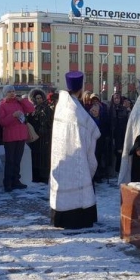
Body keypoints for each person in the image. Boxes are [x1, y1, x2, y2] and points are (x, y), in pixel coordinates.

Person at [50, 71, 101, 229]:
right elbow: (90, 130)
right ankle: (79, 220)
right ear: (80, 88)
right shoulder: (74, 108)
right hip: (76, 154)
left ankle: (61, 218)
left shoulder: (62, 104)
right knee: (79, 185)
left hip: (62, 154)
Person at [0, 85, 35, 192]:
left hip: (21, 135)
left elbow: (31, 108)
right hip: (10, 136)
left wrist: (23, 100)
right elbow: (2, 122)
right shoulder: (2, 106)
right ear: (5, 93)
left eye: (13, 91)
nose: (12, 93)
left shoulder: (19, 103)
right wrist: (13, 115)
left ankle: (16, 181)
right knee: (10, 161)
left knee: (18, 160)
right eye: (9, 91)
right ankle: (8, 182)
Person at [27, 88, 53, 184]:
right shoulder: (32, 109)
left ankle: (44, 176)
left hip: (44, 136)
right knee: (35, 156)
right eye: (36, 98)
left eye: (40, 98)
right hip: (34, 136)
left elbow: (48, 121)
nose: (38, 100)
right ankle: (36, 175)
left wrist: (43, 130)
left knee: (44, 157)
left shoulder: (46, 108)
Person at [109, 93, 130, 176]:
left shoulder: (123, 109)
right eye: (115, 98)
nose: (116, 100)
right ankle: (113, 170)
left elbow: (125, 120)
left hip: (122, 132)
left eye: (118, 98)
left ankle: (119, 170)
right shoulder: (110, 109)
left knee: (121, 151)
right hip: (112, 132)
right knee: (113, 151)